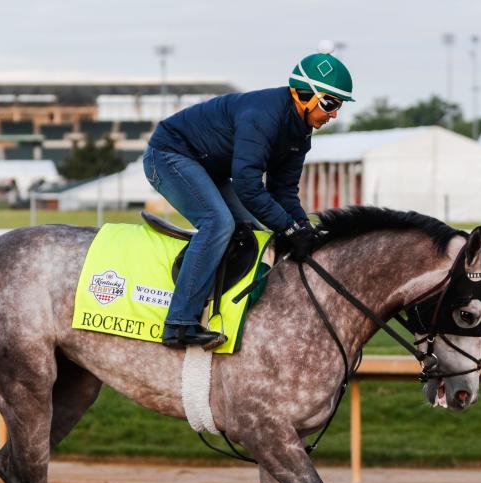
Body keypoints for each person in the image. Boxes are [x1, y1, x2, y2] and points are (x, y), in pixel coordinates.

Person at [143, 44, 354, 348]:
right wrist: (288, 228)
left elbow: (283, 191)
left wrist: (303, 229)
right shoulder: (262, 116)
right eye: (331, 102)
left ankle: (233, 313)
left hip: (207, 166)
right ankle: (179, 323)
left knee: (253, 231)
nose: (335, 113)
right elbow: (248, 186)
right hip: (169, 155)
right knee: (218, 223)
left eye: (340, 105)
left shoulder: (300, 133)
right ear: (302, 95)